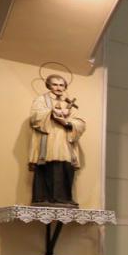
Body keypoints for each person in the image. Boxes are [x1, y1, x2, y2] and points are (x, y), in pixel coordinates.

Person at [28, 74, 86, 206]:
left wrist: (67, 123)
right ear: (48, 85)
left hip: (66, 140)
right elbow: (35, 117)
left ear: (65, 87)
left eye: (61, 85)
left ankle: (64, 198)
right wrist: (53, 112)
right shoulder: (41, 100)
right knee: (50, 163)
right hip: (49, 138)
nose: (58, 88)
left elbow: (80, 123)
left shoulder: (68, 102)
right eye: (55, 84)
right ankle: (44, 198)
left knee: (66, 166)